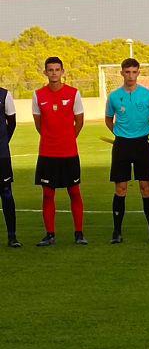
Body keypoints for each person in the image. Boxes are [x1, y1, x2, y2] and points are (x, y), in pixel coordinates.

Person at [105, 58, 149, 243]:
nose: (130, 75)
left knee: (146, 187)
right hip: (121, 145)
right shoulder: (113, 96)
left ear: (138, 72)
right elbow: (108, 119)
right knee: (121, 188)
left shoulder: (148, 95)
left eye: (134, 72)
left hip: (142, 145)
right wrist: (120, 134)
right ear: (121, 73)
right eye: (127, 72)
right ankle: (116, 232)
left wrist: (142, 133)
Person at [33, 57, 87, 246]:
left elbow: (79, 121)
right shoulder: (38, 95)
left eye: (57, 69)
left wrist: (68, 139)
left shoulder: (73, 93)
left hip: (69, 153)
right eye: (50, 69)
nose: (54, 73)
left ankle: (79, 233)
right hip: (47, 154)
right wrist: (51, 139)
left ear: (63, 72)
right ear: (45, 72)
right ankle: (50, 234)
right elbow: (39, 124)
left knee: (74, 191)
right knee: (48, 194)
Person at [0, 85, 20, 247]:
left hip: (1, 155)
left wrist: (3, 142)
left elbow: (11, 122)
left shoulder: (4, 95)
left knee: (6, 192)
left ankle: (12, 236)